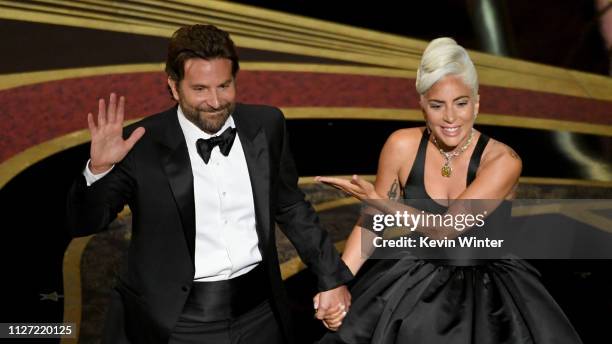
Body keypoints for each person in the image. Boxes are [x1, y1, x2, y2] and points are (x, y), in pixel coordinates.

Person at [66, 24, 352, 344]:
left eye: (224, 86)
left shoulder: (267, 125)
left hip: (261, 313)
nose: (215, 101)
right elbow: (85, 222)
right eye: (200, 89)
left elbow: (290, 204)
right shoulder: (140, 144)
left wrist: (331, 277)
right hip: (177, 322)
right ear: (174, 87)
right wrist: (99, 169)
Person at [314, 38, 583, 343]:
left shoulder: (503, 161)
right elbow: (372, 226)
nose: (451, 118)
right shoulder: (401, 145)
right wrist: (335, 284)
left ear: (477, 103)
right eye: (437, 105)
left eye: (461, 103)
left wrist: (379, 203)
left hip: (488, 298)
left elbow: (446, 229)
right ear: (422, 105)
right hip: (410, 282)